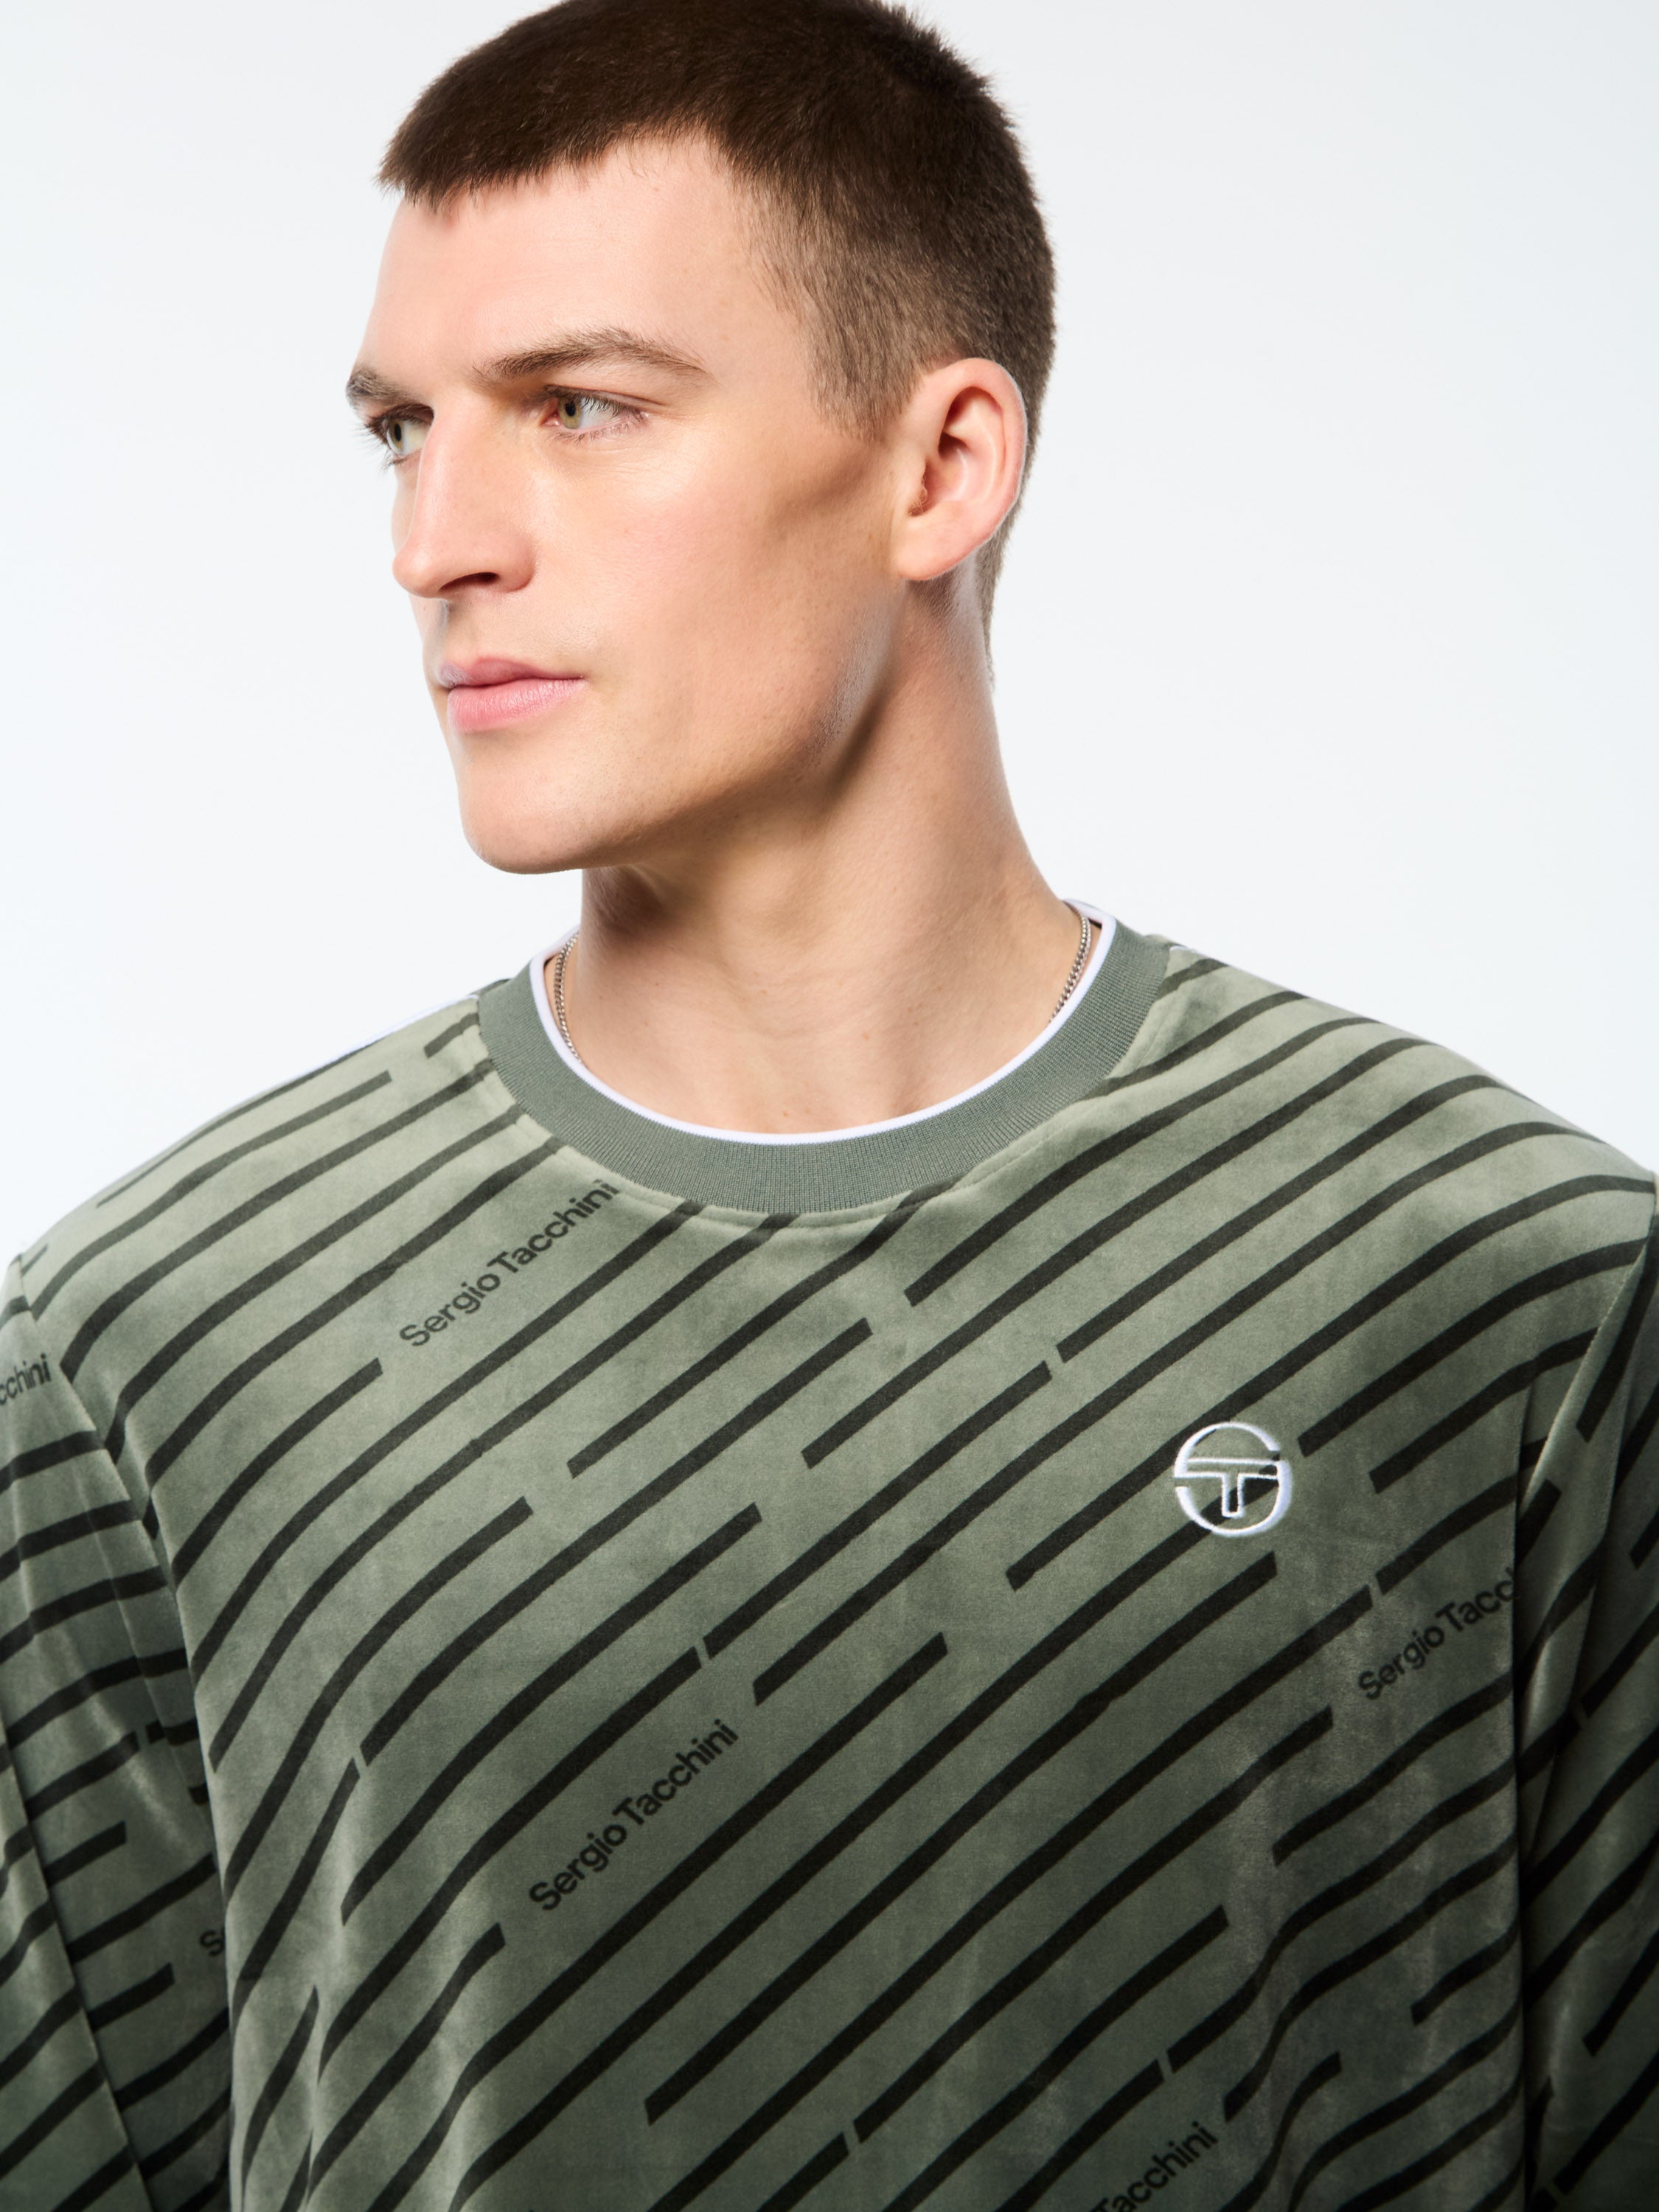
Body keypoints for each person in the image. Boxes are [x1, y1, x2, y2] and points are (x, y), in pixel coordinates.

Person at [2, 0, 1654, 2205]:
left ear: (938, 466)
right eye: (403, 430)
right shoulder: (151, 1350)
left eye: (580, 408)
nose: (436, 542)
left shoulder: (1512, 1299)